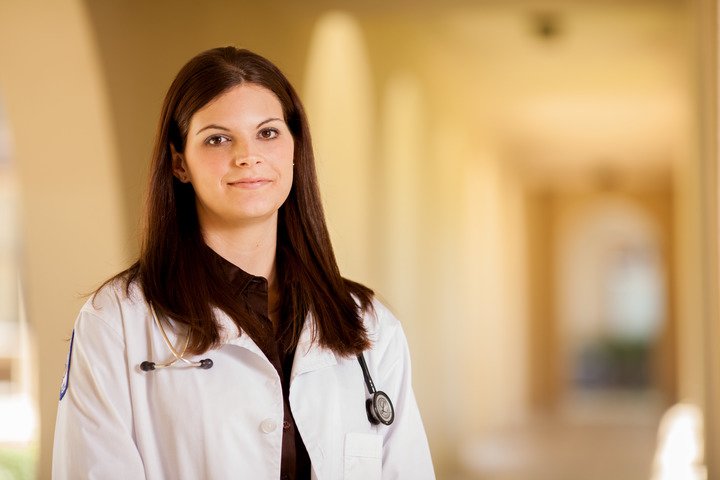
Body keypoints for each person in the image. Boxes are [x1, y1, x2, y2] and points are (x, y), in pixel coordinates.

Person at [52, 47, 435, 479]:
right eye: (217, 138)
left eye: (268, 133)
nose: (247, 155)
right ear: (180, 163)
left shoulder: (369, 325)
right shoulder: (116, 321)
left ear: (295, 147)